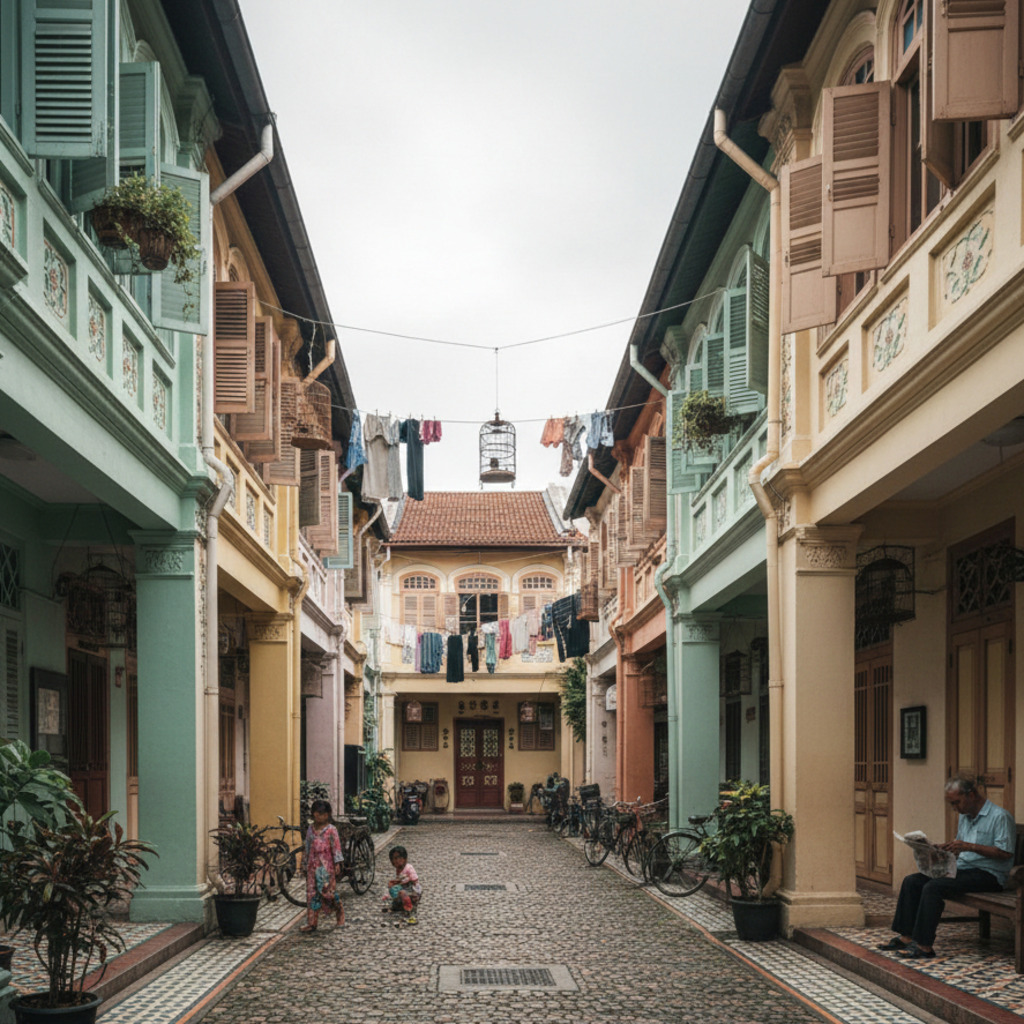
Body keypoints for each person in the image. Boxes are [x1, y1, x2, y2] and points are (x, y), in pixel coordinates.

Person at [878, 774, 1015, 959]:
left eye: (956, 802)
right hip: (963, 869)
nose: (954, 808)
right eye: (952, 804)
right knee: (912, 881)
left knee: (934, 887)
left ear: (971, 795)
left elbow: (1005, 853)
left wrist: (969, 846)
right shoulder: (965, 817)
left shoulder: (1000, 817)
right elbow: (960, 848)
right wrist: (940, 850)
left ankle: (924, 946)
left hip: (989, 875)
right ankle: (906, 937)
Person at [299, 799, 344, 933]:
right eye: (317, 813)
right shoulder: (310, 830)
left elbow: (336, 848)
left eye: (323, 814)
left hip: (327, 868)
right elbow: (306, 847)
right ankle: (312, 923)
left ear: (328, 814)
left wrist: (337, 863)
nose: (320, 816)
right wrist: (304, 864)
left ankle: (339, 909)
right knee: (311, 894)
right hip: (313, 867)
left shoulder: (331, 830)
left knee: (328, 893)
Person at [383, 845, 422, 925]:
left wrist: (403, 881)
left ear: (405, 859)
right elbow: (400, 880)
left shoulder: (409, 868)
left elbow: (414, 879)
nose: (397, 861)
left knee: (402, 893)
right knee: (393, 889)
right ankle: (398, 904)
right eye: (395, 859)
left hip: (412, 889)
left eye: (399, 858)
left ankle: (410, 910)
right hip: (404, 887)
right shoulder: (399, 869)